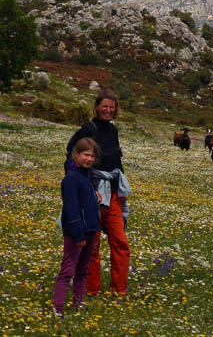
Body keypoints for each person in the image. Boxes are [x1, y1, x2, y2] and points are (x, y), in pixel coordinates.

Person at [71, 88, 131, 296]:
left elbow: (117, 160)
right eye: (104, 106)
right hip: (93, 192)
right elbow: (73, 158)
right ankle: (91, 289)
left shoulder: (113, 130)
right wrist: (86, 188)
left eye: (111, 107)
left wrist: (122, 191)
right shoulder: (88, 128)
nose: (108, 110)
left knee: (120, 241)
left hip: (113, 192)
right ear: (96, 107)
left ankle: (119, 290)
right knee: (92, 243)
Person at [53, 138, 101, 317]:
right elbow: (72, 210)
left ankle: (77, 302)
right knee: (68, 270)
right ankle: (57, 307)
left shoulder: (86, 176)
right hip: (77, 233)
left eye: (92, 156)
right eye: (85, 155)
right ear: (75, 154)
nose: (88, 159)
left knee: (83, 269)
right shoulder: (71, 179)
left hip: (90, 229)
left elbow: (85, 204)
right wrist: (78, 235)